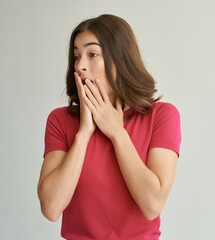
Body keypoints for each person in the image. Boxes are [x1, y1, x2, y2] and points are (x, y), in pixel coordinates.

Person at [37, 14, 181, 240]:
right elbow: (51, 208)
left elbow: (152, 204)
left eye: (92, 54)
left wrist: (116, 132)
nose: (81, 66)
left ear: (120, 59)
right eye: (76, 56)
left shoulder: (162, 116)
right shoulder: (60, 121)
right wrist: (83, 134)